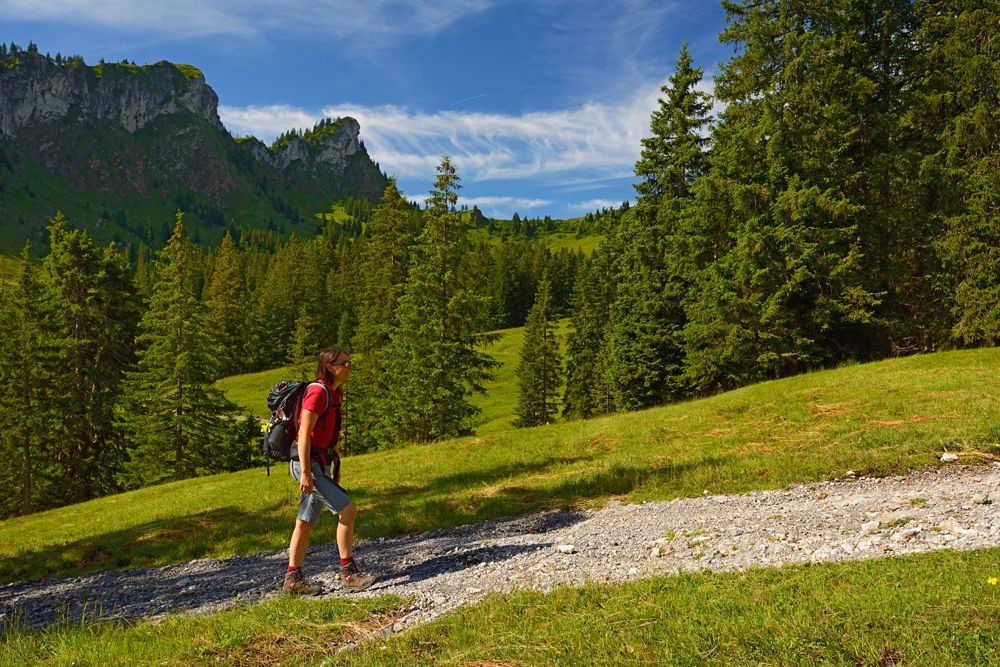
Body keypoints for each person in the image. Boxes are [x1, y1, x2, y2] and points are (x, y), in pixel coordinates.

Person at [283, 347, 375, 594]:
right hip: (307, 464)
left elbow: (327, 431)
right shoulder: (317, 392)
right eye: (344, 363)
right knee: (347, 509)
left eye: (348, 362)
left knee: (305, 521)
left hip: (319, 463)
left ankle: (293, 579)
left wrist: (332, 459)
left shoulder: (335, 393)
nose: (349, 366)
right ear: (330, 366)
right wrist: (305, 472)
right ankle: (349, 573)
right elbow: (303, 435)